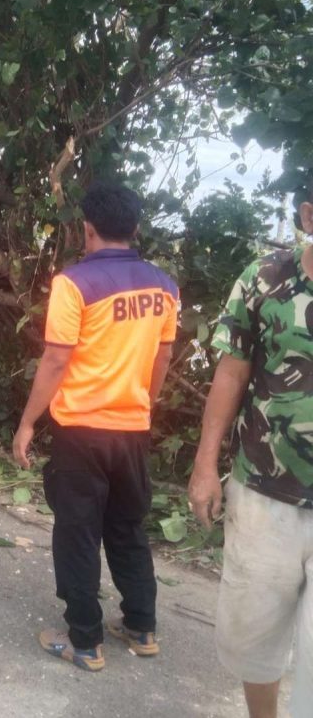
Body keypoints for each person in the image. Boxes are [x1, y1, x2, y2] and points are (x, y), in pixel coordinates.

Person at [12, 180, 178, 672]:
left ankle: (84, 640)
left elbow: (56, 361)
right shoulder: (163, 285)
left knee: (78, 534)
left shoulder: (74, 283)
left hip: (81, 431)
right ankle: (141, 626)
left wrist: (26, 424)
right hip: (132, 428)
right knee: (128, 527)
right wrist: (144, 401)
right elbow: (163, 355)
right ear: (136, 228)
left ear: (87, 230)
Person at [188, 182, 313, 718]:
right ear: (309, 214)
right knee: (251, 642)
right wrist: (204, 466)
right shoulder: (267, 278)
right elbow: (233, 371)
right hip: (264, 493)